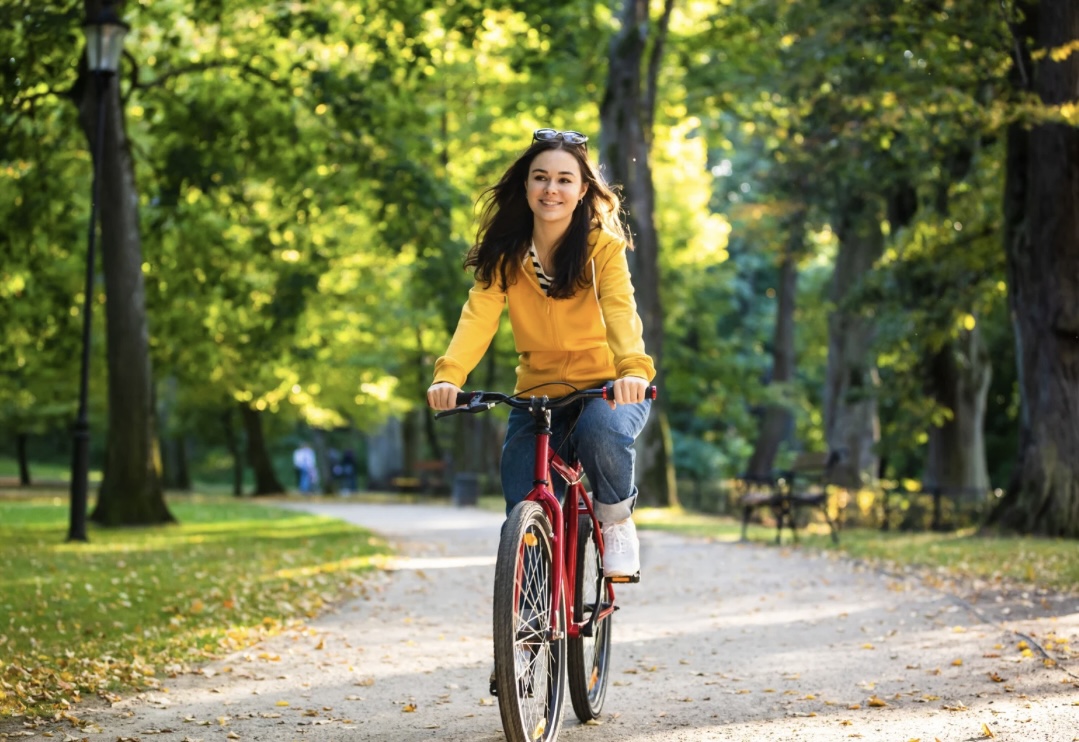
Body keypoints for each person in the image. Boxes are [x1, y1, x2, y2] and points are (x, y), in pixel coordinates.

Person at [426, 127, 655, 579]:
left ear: (583, 188)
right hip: (538, 392)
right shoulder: (505, 256)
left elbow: (620, 311)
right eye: (540, 177)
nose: (552, 189)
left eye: (565, 179)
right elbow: (478, 317)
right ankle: (530, 603)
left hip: (608, 388)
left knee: (599, 431)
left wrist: (631, 369)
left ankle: (615, 520)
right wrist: (448, 375)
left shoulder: (602, 250)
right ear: (526, 185)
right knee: (522, 495)